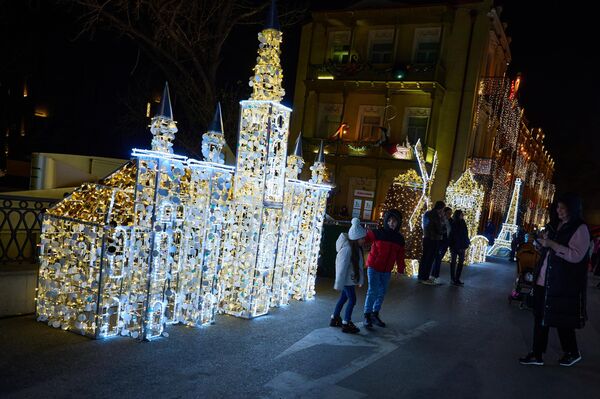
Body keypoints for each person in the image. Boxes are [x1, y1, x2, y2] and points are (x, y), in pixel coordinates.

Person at [519, 193, 590, 367]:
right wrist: (541, 243)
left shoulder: (580, 228)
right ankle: (537, 354)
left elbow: (576, 256)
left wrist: (551, 244)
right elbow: (551, 251)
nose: (558, 211)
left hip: (563, 282)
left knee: (560, 319)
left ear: (572, 209)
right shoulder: (559, 225)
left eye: (562, 208)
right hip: (545, 279)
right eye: (557, 207)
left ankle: (572, 351)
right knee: (540, 317)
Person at [363, 209, 405, 329]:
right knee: (373, 291)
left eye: (395, 221)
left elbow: (400, 256)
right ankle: (367, 315)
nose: (392, 223)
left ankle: (375, 314)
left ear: (398, 223)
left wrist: (401, 269)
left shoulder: (399, 239)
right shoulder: (378, 233)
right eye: (390, 220)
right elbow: (364, 239)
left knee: (382, 292)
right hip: (374, 267)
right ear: (386, 221)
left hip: (386, 270)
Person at [330, 218, 366, 334]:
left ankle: (335, 318)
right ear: (356, 239)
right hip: (346, 281)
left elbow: (359, 266)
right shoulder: (347, 249)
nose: (364, 240)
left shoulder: (356, 249)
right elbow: (341, 268)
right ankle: (346, 322)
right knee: (352, 300)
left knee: (343, 298)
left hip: (350, 280)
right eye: (362, 238)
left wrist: (360, 280)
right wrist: (338, 284)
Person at [418, 201, 445, 284]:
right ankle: (425, 277)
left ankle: (421, 276)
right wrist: (443, 225)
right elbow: (439, 229)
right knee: (430, 259)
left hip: (426, 238)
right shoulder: (436, 216)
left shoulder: (427, 213)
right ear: (440, 208)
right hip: (433, 239)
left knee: (424, 257)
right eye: (443, 209)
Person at [431, 207, 452, 284]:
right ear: (444, 213)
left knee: (438, 259)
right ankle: (435, 276)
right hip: (440, 242)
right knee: (438, 259)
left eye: (451, 213)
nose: (450, 215)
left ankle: (433, 275)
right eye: (448, 213)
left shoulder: (450, 221)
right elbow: (438, 231)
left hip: (446, 243)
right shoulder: (440, 220)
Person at [448, 209, 470, 285]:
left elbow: (463, 235)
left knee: (455, 263)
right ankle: (455, 279)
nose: (462, 216)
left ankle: (454, 279)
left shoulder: (456, 223)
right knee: (456, 263)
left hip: (456, 246)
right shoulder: (458, 223)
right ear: (458, 215)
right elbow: (460, 235)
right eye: (461, 214)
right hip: (458, 246)